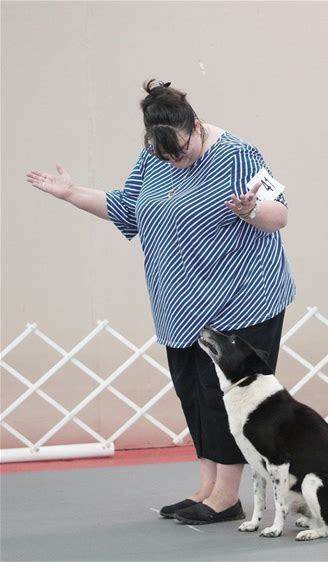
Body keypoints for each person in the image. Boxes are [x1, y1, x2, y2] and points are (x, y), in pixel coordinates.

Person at [25, 79, 296, 525]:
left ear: (196, 127)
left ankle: (226, 496)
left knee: (223, 397)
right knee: (192, 394)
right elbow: (127, 209)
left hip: (240, 299)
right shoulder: (155, 153)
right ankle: (206, 487)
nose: (175, 161)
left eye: (182, 152)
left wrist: (250, 210)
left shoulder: (238, 155)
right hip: (180, 303)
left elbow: (278, 214)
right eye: (166, 154)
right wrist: (72, 194)